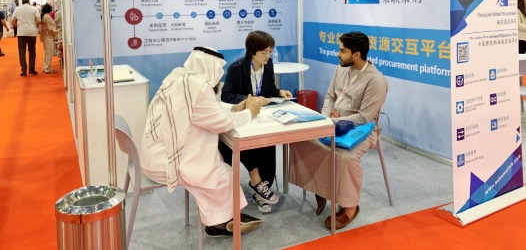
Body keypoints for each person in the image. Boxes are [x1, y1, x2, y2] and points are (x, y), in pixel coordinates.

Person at [141, 47, 264, 237]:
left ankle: (222, 217)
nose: (220, 74)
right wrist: (249, 113)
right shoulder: (198, 87)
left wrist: (234, 109)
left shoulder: (178, 77)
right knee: (220, 174)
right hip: (166, 161)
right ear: (211, 66)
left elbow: (205, 111)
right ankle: (220, 223)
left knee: (219, 166)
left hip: (153, 154)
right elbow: (221, 123)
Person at [288, 31, 388, 230]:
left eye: (342, 51)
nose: (338, 54)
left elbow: (364, 118)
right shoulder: (341, 69)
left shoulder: (376, 81)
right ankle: (322, 188)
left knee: (345, 157)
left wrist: (332, 121)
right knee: (301, 140)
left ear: (356, 55)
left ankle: (350, 207)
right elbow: (330, 97)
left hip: (361, 130)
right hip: (331, 122)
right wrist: (324, 119)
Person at [220, 30, 293, 213]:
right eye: (264, 52)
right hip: (243, 118)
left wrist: (279, 92)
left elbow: (270, 89)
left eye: (270, 52)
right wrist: (249, 100)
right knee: (249, 144)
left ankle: (262, 188)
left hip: (262, 117)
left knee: (269, 143)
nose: (268, 56)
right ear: (252, 51)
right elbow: (226, 95)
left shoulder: (268, 66)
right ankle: (257, 183)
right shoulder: (236, 68)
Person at [11, 0, 41, 76]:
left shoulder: (17, 9)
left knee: (22, 52)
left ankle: (24, 71)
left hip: (21, 33)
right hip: (31, 32)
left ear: (22, 1)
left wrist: (18, 27)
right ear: (29, 1)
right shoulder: (34, 9)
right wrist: (34, 26)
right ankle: (31, 70)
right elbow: (38, 20)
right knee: (32, 51)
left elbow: (13, 21)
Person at [40, 3, 58, 73]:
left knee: (47, 52)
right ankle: (47, 68)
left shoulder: (45, 16)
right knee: (49, 52)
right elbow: (49, 27)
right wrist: (56, 31)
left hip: (46, 36)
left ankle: (46, 67)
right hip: (48, 36)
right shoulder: (47, 16)